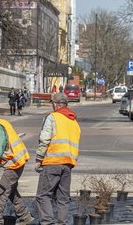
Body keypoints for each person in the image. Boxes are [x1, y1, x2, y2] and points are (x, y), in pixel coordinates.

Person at [34, 92, 81, 225]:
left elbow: (44, 140)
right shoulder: (73, 121)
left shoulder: (52, 117)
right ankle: (62, 223)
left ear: (55, 104)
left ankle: (48, 222)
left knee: (43, 195)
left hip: (52, 163)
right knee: (63, 198)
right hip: (68, 164)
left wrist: (38, 159)